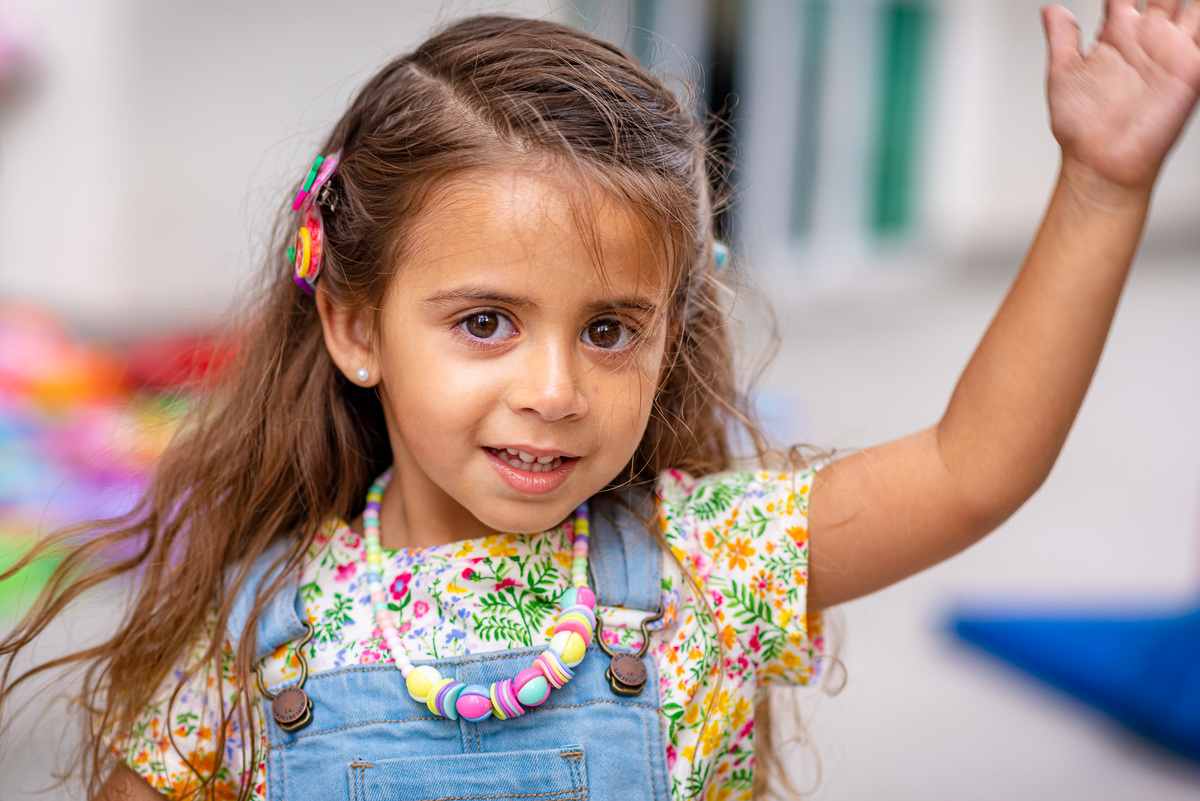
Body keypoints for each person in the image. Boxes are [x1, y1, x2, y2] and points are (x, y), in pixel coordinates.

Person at [3, 3, 1200, 800]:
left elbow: (973, 468)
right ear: (357, 326)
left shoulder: (709, 564)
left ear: (670, 336)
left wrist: (1101, 185)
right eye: (486, 322)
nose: (555, 390)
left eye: (610, 330)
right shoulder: (252, 638)